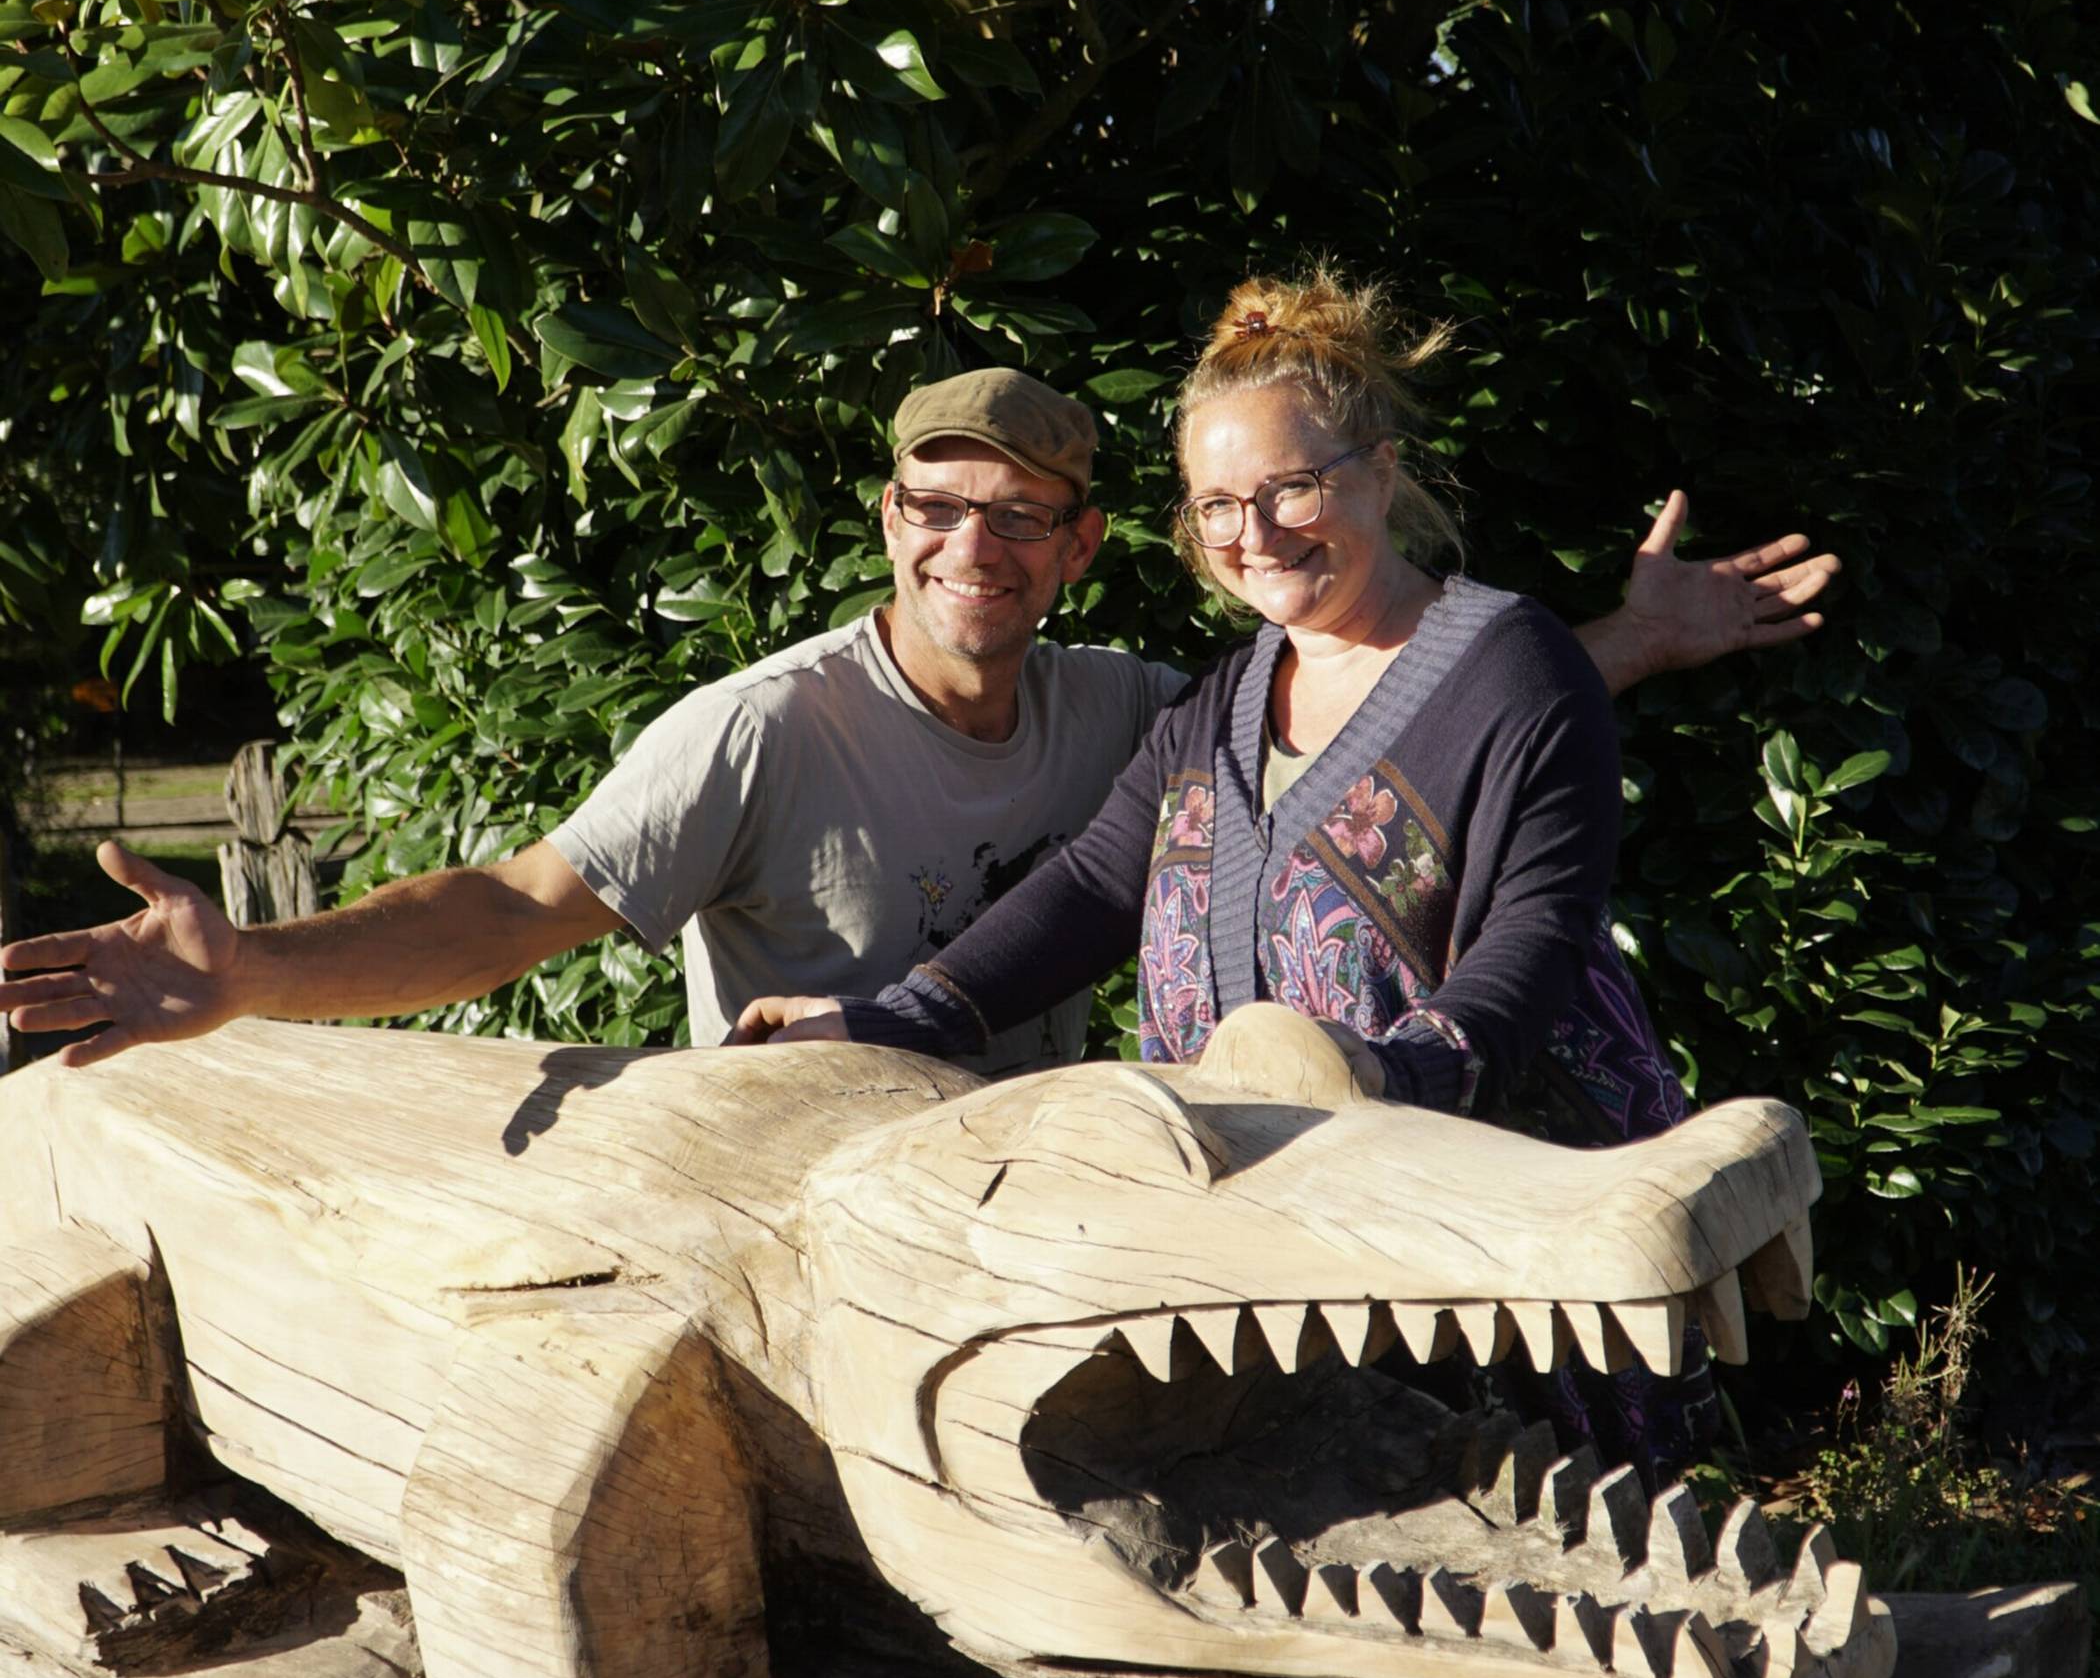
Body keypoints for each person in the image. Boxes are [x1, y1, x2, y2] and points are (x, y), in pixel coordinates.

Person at [0, 358, 1835, 1077]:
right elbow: (514, 903)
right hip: (814, 1222)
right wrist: (247, 969)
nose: (975, 544)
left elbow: (1394, 738)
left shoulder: (1144, 710)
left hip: (1083, 1228)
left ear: (1085, 542)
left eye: (1021, 512)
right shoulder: (767, 729)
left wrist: (1617, 648)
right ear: (888, 517)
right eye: (935, 506)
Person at [737, 277, 1762, 1470]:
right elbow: (1087, 892)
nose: (1256, 534)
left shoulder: (1513, 669)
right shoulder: (1218, 706)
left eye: (1293, 488)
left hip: (1493, 1249)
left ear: (1379, 472)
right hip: (1271, 1254)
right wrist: (884, 1022)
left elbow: (1534, 941)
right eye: (1219, 504)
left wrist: (1386, 1079)